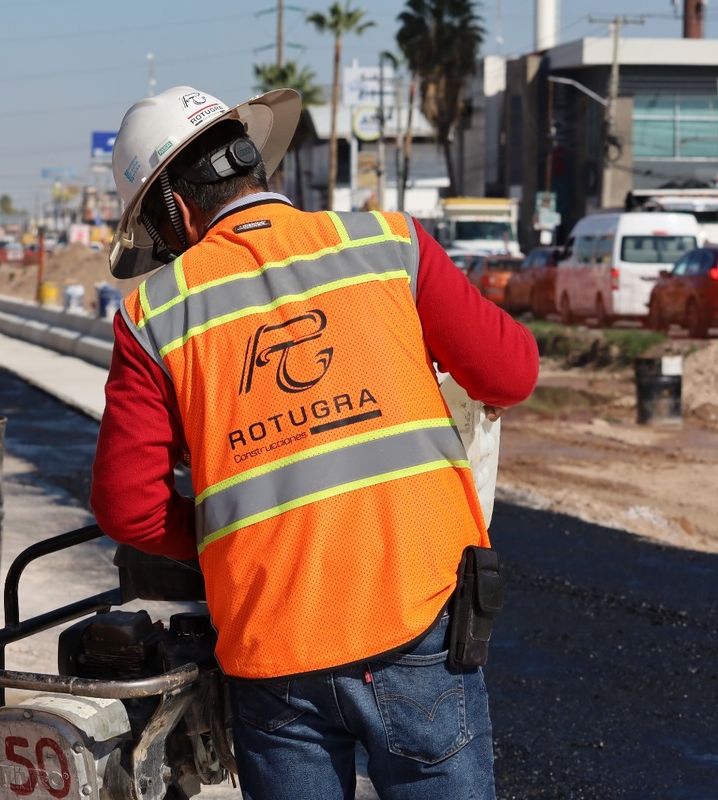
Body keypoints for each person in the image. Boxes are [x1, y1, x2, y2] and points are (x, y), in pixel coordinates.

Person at [90, 85, 539, 800]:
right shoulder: (389, 243)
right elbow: (512, 373)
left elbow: (128, 508)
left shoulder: (153, 312)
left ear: (173, 210)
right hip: (415, 613)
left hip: (275, 645)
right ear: (253, 163)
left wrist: (233, 541)